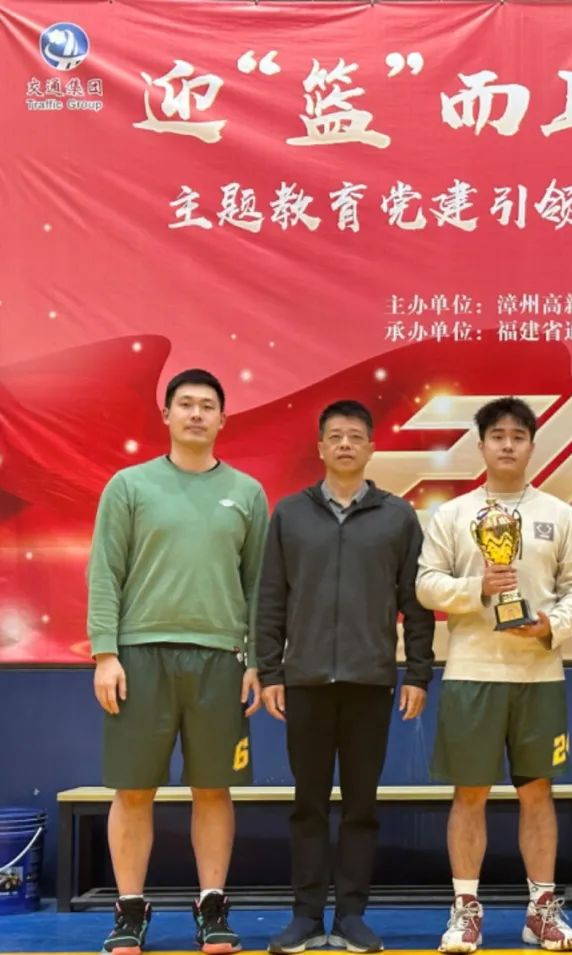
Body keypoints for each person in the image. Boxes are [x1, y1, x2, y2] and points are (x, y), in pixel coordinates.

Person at [87, 369, 268, 955]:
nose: (195, 413)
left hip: (221, 659)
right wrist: (106, 653)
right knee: (133, 789)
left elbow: (260, 585)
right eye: (184, 404)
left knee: (214, 788)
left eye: (206, 405)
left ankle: (212, 905)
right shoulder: (129, 485)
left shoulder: (247, 493)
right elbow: (105, 572)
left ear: (222, 418)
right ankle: (129, 910)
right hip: (140, 655)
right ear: (165, 415)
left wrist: (257, 660)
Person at [416, 397, 572, 953]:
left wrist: (550, 625)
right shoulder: (453, 515)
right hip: (472, 672)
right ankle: (466, 909)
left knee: (537, 791)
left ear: (532, 446)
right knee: (469, 791)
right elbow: (425, 584)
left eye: (518, 436)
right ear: (482, 446)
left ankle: (541, 910)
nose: (508, 444)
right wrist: (478, 589)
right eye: (498, 436)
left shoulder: (559, 515)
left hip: (539, 673)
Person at [257, 400, 435, 954]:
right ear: (320, 447)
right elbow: (270, 599)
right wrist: (270, 671)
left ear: (371, 447)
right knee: (307, 804)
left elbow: (417, 603)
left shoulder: (397, 517)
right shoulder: (290, 513)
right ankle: (307, 916)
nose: (345, 444)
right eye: (335, 436)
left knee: (361, 806)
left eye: (356, 436)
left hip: (370, 681)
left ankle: (352, 916)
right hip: (305, 681)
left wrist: (418, 673)